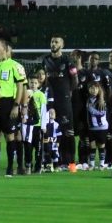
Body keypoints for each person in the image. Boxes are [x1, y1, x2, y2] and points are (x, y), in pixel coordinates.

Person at [0, 38, 27, 176]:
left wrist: (17, 105)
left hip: (9, 103)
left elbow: (21, 86)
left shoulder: (15, 66)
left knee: (10, 136)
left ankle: (11, 166)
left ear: (5, 49)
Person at [42, 35, 77, 172]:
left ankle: (71, 162)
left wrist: (69, 92)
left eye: (56, 42)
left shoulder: (68, 60)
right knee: (51, 131)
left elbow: (74, 78)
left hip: (64, 99)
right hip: (50, 99)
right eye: (52, 41)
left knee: (67, 130)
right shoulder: (45, 60)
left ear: (62, 45)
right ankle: (53, 161)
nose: (53, 44)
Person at [23, 74, 47, 173]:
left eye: (35, 83)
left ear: (39, 84)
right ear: (28, 82)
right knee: (28, 147)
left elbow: (43, 111)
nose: (33, 85)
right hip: (27, 126)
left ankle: (38, 167)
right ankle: (28, 165)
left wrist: (43, 125)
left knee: (38, 148)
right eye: (31, 82)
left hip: (37, 126)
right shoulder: (25, 94)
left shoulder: (41, 95)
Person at [85, 81, 109, 170]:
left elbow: (102, 114)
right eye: (91, 88)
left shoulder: (101, 100)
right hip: (91, 128)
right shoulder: (88, 100)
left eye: (95, 88)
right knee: (92, 146)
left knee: (101, 146)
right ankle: (91, 164)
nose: (93, 90)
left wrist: (91, 109)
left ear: (98, 90)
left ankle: (102, 164)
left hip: (101, 127)